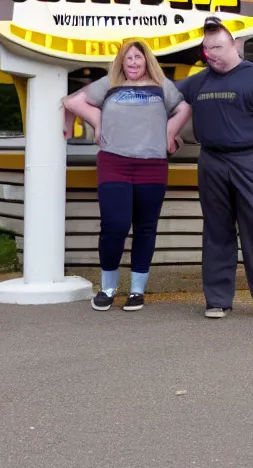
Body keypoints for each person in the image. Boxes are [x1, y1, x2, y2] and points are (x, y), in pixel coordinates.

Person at [177, 17, 253, 319]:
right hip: (211, 161)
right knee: (216, 231)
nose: (210, 53)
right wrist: (168, 132)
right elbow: (171, 100)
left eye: (216, 46)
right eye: (206, 48)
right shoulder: (199, 81)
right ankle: (217, 301)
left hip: (248, 161)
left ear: (235, 45)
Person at [62, 40, 191, 312]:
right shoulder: (109, 84)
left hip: (152, 164)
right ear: (121, 61)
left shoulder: (161, 86)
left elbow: (184, 109)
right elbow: (73, 101)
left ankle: (136, 291)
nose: (133, 62)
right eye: (128, 58)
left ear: (147, 61)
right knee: (115, 226)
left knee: (145, 227)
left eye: (138, 57)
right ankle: (108, 288)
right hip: (114, 163)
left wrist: (169, 133)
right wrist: (96, 122)